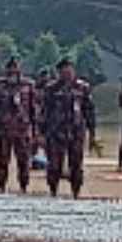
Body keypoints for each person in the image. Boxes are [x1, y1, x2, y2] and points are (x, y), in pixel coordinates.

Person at [40, 59, 97, 199]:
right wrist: (41, 134)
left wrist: (92, 133)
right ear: (59, 73)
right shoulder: (51, 89)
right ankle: (53, 191)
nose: (67, 74)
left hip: (76, 132)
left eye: (70, 71)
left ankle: (75, 193)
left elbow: (89, 111)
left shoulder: (82, 88)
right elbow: (44, 112)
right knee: (54, 166)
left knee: (76, 166)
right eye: (64, 72)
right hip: (55, 133)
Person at [0, 58, 39, 194]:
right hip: (4, 130)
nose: (12, 71)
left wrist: (35, 130)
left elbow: (33, 109)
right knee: (2, 159)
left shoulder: (28, 85)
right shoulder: (0, 86)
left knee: (23, 160)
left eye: (15, 68)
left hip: (22, 129)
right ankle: (1, 185)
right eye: (10, 68)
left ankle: (23, 185)